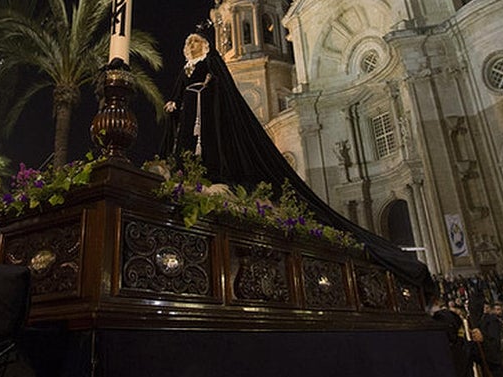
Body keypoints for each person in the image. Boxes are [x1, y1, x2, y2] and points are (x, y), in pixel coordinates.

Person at [159, 30, 432, 294]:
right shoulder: (186, 70)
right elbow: (177, 89)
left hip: (204, 109)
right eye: (190, 44)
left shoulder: (211, 64)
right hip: (190, 111)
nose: (193, 47)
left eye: (197, 43)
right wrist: (173, 102)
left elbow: (218, 81)